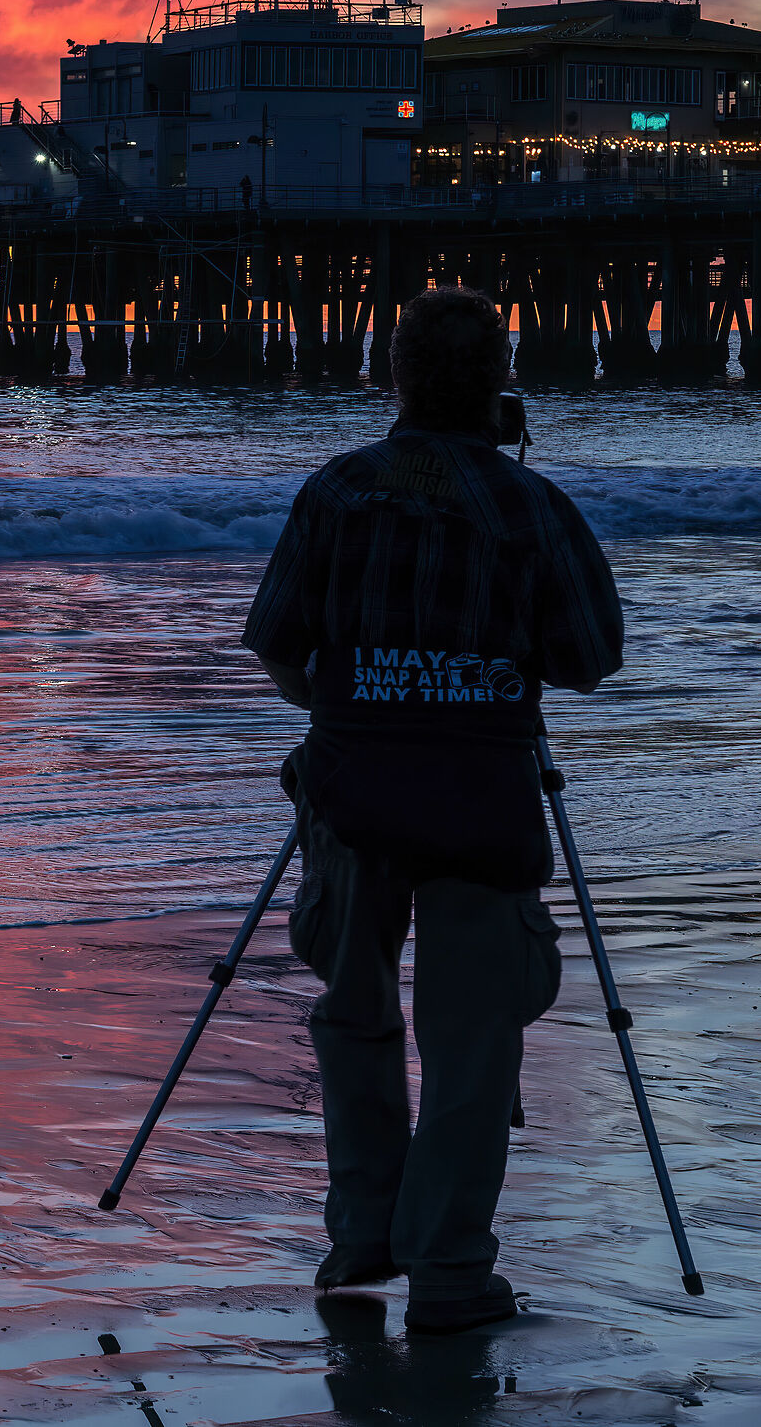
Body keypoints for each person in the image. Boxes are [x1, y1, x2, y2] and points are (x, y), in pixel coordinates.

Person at [240, 285, 623, 1335]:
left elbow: (277, 645)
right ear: (502, 378)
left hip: (355, 788)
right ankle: (449, 1267)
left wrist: (357, 699)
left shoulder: (339, 490)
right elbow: (590, 659)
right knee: (472, 1037)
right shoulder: (529, 507)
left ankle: (364, 1233)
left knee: (355, 1014)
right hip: (482, 799)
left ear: (393, 375)